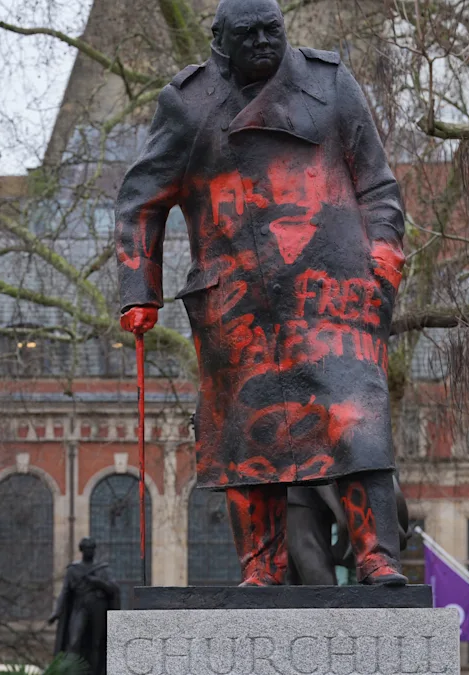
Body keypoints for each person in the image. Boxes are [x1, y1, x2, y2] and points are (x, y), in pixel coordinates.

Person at [116, 0, 407, 587]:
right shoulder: (188, 102)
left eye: (272, 31)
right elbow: (140, 199)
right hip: (238, 306)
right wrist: (137, 290)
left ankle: (378, 557)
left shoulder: (330, 84)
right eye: (247, 35)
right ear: (219, 39)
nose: (263, 43)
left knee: (357, 422)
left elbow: (378, 182)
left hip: (334, 294)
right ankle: (262, 567)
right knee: (248, 438)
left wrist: (383, 258)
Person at [48, 538, 119, 675]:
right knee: (74, 640)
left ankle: (94, 672)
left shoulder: (103, 569)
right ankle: (73, 671)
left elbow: (114, 588)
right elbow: (65, 592)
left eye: (92, 549)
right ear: (82, 550)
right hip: (80, 607)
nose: (89, 551)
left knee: (96, 643)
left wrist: (98, 582)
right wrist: (56, 612)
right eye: (87, 549)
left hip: (98, 607)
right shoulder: (73, 570)